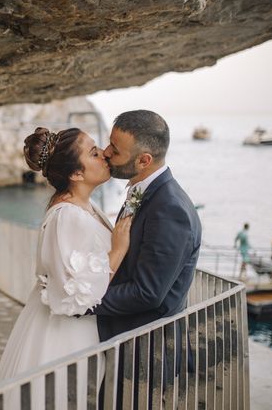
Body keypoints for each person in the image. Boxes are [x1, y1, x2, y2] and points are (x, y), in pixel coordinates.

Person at [0, 127, 132, 409]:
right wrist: (117, 251)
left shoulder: (83, 207)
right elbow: (73, 293)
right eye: (93, 153)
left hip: (77, 330)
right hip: (64, 335)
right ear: (76, 174)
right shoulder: (66, 216)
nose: (104, 154)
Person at [81, 110, 202, 408]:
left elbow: (148, 293)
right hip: (127, 342)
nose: (106, 153)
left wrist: (82, 299)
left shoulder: (169, 209)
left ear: (144, 160)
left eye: (115, 149)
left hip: (147, 352)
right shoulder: (144, 193)